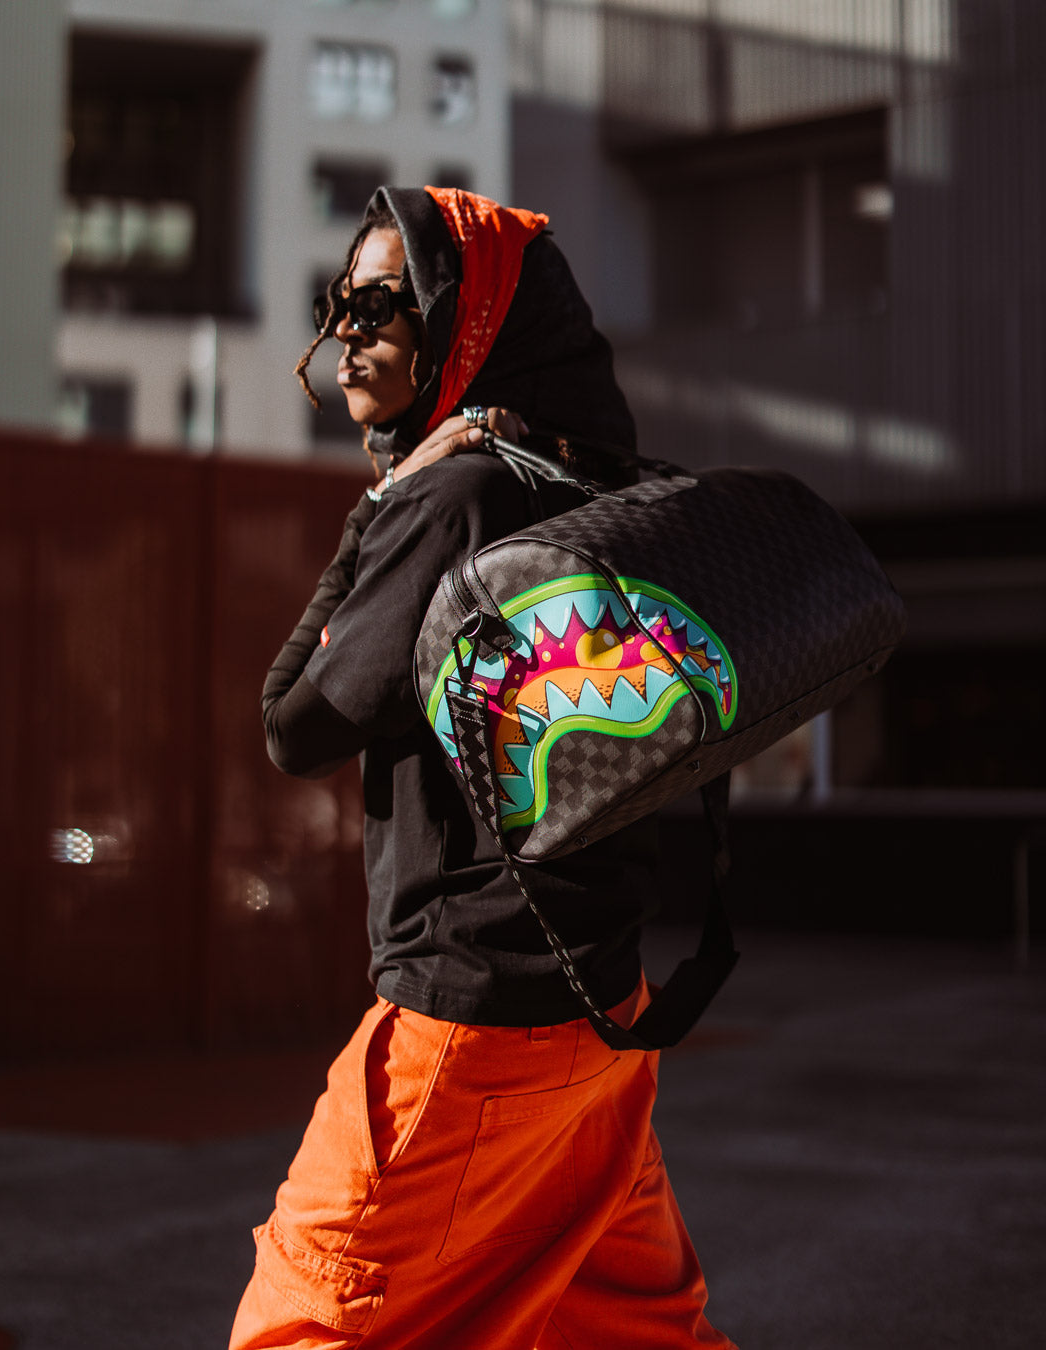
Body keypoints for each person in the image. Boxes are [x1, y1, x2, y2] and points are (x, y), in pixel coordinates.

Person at [229, 186, 736, 1350]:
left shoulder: (453, 493)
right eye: (336, 302)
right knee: (629, 1332)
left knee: (311, 1322)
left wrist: (383, 504)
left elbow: (293, 724)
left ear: (469, 321)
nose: (345, 329)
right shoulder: (599, 485)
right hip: (600, 1011)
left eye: (378, 302)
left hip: (468, 1024)